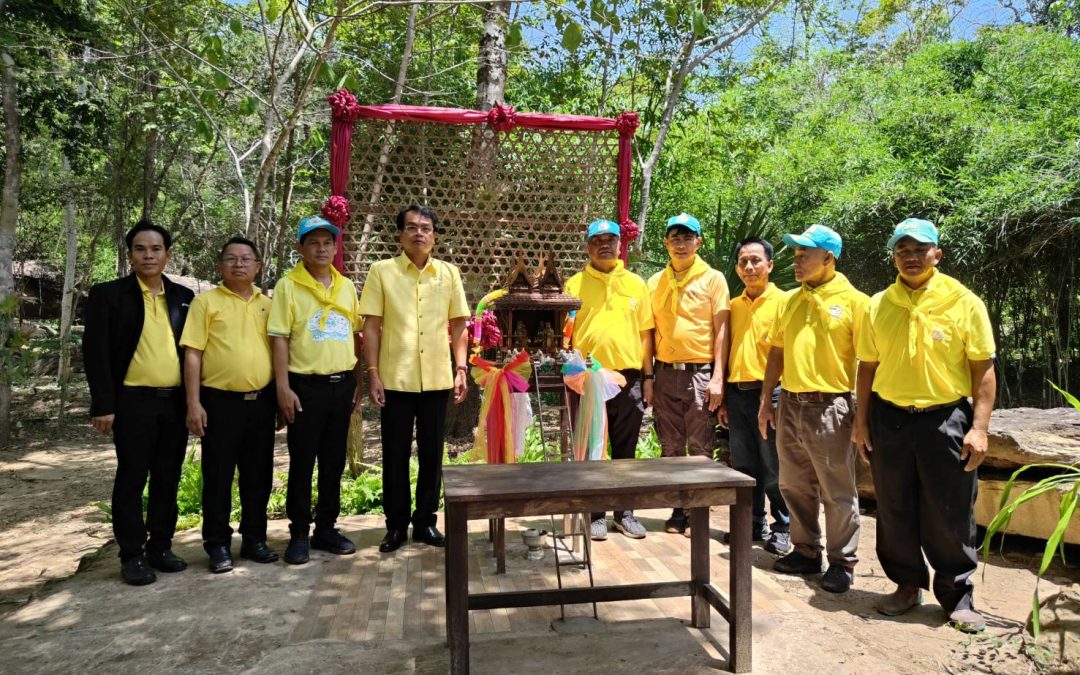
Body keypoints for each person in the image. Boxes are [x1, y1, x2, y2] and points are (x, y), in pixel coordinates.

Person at [853, 218, 996, 633]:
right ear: (894, 256)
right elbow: (867, 367)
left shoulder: (964, 301)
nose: (911, 257)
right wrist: (861, 422)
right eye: (902, 250)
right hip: (889, 417)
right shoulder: (878, 304)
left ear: (937, 254)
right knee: (894, 506)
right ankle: (906, 584)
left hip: (945, 418)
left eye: (919, 249)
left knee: (950, 510)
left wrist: (980, 428)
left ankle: (957, 596)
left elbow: (982, 370)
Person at [757, 224, 868, 593]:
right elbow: (778, 350)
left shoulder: (856, 302)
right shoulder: (790, 300)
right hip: (790, 402)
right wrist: (765, 401)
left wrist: (861, 418)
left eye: (806, 254)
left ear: (829, 258)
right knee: (793, 483)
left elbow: (869, 362)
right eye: (796, 253)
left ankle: (841, 561)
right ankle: (806, 551)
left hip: (831, 406)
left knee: (836, 490)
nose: (797, 260)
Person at [83, 218, 193, 586]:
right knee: (132, 477)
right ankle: (132, 554)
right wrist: (103, 404)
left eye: (156, 249)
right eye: (141, 249)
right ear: (130, 255)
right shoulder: (108, 295)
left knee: (168, 476)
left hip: (175, 403)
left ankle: (161, 546)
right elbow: (95, 353)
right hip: (132, 403)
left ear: (167, 254)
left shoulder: (183, 297)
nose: (149, 255)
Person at [360, 205, 470, 553]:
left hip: (438, 378)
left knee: (431, 455)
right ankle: (395, 526)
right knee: (393, 455)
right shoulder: (382, 272)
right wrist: (373, 373)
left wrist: (462, 368)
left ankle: (425, 522)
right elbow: (371, 327)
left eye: (426, 228)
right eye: (411, 228)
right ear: (400, 234)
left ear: (434, 236)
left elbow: (459, 325)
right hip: (395, 379)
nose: (419, 233)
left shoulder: (448, 273)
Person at [268, 216, 363, 565]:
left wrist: (359, 380)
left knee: (333, 463)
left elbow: (355, 335)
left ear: (336, 248)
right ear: (300, 248)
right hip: (305, 387)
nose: (321, 248)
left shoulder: (347, 286)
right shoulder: (287, 287)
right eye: (313, 243)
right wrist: (283, 387)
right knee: (303, 461)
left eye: (327, 243)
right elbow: (278, 338)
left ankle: (326, 528)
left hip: (342, 386)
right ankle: (298, 534)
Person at [180, 237, 278, 573]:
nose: (239, 264)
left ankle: (255, 539)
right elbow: (193, 353)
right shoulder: (206, 303)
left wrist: (280, 396)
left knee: (259, 476)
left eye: (246, 258)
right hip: (219, 403)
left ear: (258, 266)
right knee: (218, 476)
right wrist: (193, 403)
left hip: (262, 403)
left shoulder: (269, 305)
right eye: (231, 259)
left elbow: (280, 352)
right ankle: (218, 545)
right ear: (221, 265)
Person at [565, 219, 655, 541]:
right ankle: (595, 514)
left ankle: (624, 513)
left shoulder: (637, 284)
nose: (604, 245)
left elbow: (646, 335)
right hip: (587, 379)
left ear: (621, 245)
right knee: (592, 448)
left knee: (625, 449)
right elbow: (565, 333)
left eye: (611, 239)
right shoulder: (573, 285)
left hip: (628, 379)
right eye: (597, 240)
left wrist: (648, 377)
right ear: (587, 246)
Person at [647, 213, 729, 538]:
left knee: (700, 445)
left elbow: (722, 330)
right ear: (666, 242)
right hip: (665, 372)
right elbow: (649, 332)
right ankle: (678, 509)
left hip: (700, 372)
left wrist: (718, 375)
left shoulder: (713, 279)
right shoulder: (655, 282)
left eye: (687, 238)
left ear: (699, 242)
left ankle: (698, 512)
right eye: (674, 238)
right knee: (670, 446)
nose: (681, 244)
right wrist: (648, 377)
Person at [720, 237, 791, 555]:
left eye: (755, 260)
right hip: (736, 395)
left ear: (770, 265)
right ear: (737, 267)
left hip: (771, 394)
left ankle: (784, 527)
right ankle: (751, 525)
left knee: (774, 466)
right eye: (743, 261)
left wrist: (775, 398)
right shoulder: (733, 306)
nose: (749, 267)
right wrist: (723, 396)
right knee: (745, 466)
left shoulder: (786, 302)